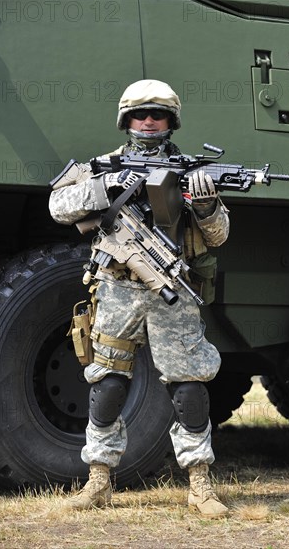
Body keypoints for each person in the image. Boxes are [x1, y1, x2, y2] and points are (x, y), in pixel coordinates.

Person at [49, 79, 230, 518]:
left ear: (172, 121)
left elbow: (219, 236)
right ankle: (98, 479)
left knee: (189, 385)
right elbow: (58, 206)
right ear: (125, 120)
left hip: (173, 288)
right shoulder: (103, 166)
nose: (148, 122)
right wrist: (107, 187)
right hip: (117, 288)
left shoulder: (189, 169)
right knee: (107, 383)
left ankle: (200, 483)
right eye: (139, 114)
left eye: (158, 115)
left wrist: (205, 206)